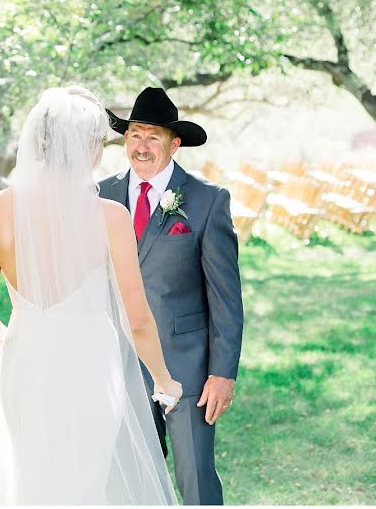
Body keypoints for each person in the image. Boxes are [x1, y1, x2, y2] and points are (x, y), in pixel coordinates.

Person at [0, 85, 183, 504]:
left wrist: (5, 335)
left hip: (24, 363)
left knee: (33, 481)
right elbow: (137, 319)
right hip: (89, 367)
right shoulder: (109, 216)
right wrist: (165, 381)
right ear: (87, 148)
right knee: (84, 484)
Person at [98, 86, 244, 505]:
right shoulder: (100, 196)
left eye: (153, 137)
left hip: (187, 368)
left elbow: (226, 299)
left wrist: (223, 374)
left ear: (174, 143)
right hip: (119, 362)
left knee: (195, 478)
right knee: (129, 479)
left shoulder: (206, 200)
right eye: (134, 135)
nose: (141, 147)